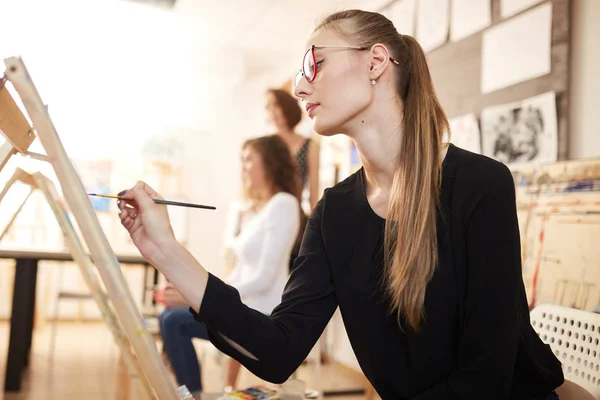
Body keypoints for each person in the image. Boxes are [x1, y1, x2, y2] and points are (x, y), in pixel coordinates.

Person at [117, 9, 565, 400]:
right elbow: (277, 352)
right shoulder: (335, 213)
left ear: (374, 63)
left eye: (315, 62)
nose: (299, 87)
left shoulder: (481, 184)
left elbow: (485, 377)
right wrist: (165, 251)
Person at [156, 135, 302, 397]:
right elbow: (237, 265)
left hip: (264, 310)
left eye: (249, 159)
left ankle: (193, 395)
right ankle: (193, 393)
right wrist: (198, 293)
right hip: (244, 303)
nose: (243, 166)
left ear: (269, 162)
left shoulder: (284, 204)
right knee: (168, 318)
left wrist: (203, 295)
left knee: (174, 321)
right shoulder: (255, 209)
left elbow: (264, 277)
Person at [265, 88, 320, 211]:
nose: (272, 111)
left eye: (276, 105)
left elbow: (313, 194)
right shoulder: (265, 146)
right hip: (268, 212)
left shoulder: (310, 145)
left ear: (286, 106)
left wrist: (315, 226)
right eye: (268, 107)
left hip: (295, 213)